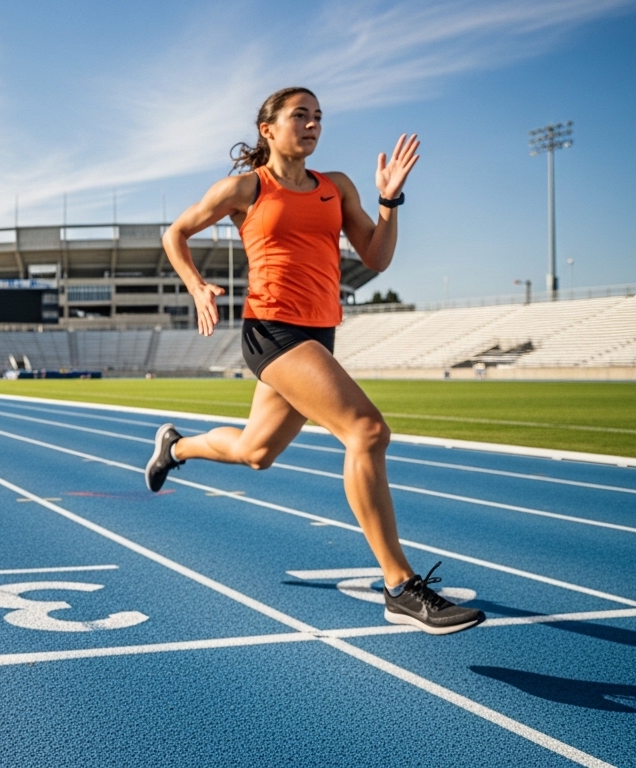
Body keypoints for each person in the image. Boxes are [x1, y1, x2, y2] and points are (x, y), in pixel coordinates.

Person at [143, 87, 483, 636]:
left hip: (319, 332)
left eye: (318, 117)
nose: (312, 125)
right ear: (268, 129)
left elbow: (376, 256)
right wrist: (198, 285)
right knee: (367, 432)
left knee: (257, 451)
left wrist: (388, 203)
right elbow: (175, 233)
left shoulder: (337, 186)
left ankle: (174, 446)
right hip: (273, 330)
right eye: (299, 115)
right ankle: (399, 585)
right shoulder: (246, 188)